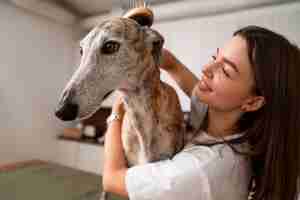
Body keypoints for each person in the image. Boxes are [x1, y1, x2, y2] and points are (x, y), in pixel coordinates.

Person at [102, 25, 300, 200]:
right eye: (215, 57)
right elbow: (174, 66)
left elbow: (111, 179)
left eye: (226, 71)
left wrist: (116, 114)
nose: (206, 69)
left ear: (253, 102)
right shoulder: (226, 120)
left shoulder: (200, 170)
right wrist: (143, 51)